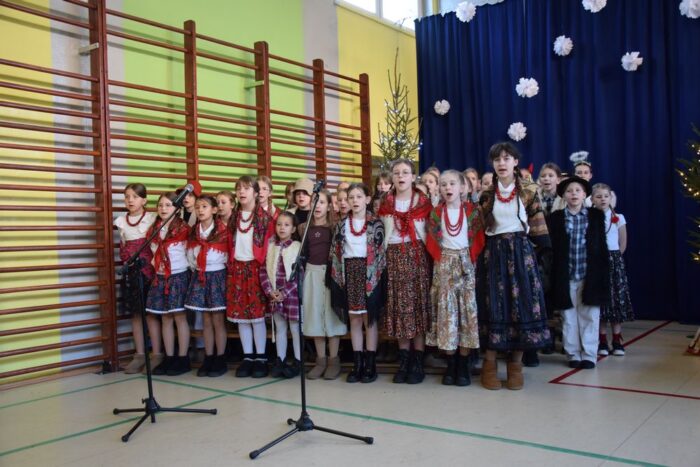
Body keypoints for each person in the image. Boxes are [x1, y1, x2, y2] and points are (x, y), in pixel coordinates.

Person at [476, 142, 551, 390]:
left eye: (506, 158)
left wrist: (535, 256)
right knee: (494, 307)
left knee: (522, 306)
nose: (502, 163)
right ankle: (489, 366)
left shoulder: (528, 191)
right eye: (497, 159)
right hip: (494, 254)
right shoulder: (487, 195)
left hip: (520, 253)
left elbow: (539, 228)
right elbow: (479, 229)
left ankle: (515, 367)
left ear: (515, 162)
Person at [425, 170, 485, 386]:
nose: (447, 188)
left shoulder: (472, 212)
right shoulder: (436, 213)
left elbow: (478, 238)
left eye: (452, 183)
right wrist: (442, 260)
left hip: (465, 263)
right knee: (447, 314)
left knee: (466, 313)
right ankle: (450, 364)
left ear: (462, 188)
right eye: (443, 184)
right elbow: (432, 239)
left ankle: (463, 363)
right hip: (444, 264)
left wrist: (469, 260)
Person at [378, 158, 433, 384]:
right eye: (396, 172)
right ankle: (403, 361)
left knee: (417, 308)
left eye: (405, 172)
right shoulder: (385, 202)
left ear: (413, 177)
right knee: (399, 310)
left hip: (417, 256)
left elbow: (431, 233)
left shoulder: (423, 202)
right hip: (393, 257)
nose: (400, 176)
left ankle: (417, 362)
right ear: (392, 177)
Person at [548, 177, 610, 369]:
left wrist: (602, 272)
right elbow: (553, 249)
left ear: (585, 195)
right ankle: (573, 353)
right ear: (564, 196)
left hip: (589, 274)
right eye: (569, 191)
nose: (573, 194)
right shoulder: (556, 218)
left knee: (590, 315)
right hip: (566, 275)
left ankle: (589, 354)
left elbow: (601, 246)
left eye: (578, 190)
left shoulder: (595, 216)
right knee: (568, 317)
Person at [329, 183, 386, 383]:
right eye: (351, 197)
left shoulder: (376, 223)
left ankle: (370, 364)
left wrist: (375, 277)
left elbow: (380, 253)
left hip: (369, 273)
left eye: (359, 197)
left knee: (369, 320)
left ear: (367, 199)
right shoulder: (342, 224)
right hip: (349, 272)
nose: (354, 201)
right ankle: (357, 363)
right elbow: (336, 252)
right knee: (354, 319)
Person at [227, 176, 274, 378]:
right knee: (242, 318)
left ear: (256, 193)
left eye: (246, 188)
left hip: (256, 269)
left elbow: (270, 246)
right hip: (237, 269)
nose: (241, 192)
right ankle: (247, 357)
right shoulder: (233, 218)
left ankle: (261, 357)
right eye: (238, 188)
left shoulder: (265, 219)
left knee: (257, 316)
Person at [300, 189, 346, 380]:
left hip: (330, 275)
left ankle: (334, 360)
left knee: (331, 316)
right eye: (314, 202)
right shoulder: (303, 229)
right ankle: (320, 360)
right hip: (311, 274)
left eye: (321, 202)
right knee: (314, 316)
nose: (317, 206)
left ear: (329, 207)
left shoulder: (334, 227)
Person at [145, 192, 192, 376]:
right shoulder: (154, 229)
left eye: (168, 205)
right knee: (165, 317)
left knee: (179, 316)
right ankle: (169, 357)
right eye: (160, 205)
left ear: (176, 208)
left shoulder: (184, 229)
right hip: (160, 276)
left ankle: (183, 358)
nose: (163, 209)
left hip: (178, 275)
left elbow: (189, 253)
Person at [115, 183, 159, 374]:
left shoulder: (152, 218)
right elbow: (124, 246)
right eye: (127, 196)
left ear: (144, 200)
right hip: (132, 274)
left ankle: (157, 354)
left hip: (149, 272)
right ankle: (139, 354)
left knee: (151, 314)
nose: (130, 200)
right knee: (136, 314)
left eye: (134, 196)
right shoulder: (121, 221)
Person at [185, 195, 229, 377]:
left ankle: (220, 357)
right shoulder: (194, 232)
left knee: (217, 319)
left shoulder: (223, 231)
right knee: (206, 320)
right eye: (197, 207)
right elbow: (190, 254)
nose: (200, 210)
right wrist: (198, 268)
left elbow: (228, 255)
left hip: (217, 275)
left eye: (204, 206)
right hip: (200, 275)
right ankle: (209, 357)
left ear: (214, 210)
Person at [592, 183, 633, 356]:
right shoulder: (590, 218)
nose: (603, 199)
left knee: (616, 301)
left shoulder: (618, 217)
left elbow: (623, 242)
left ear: (611, 198)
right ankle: (602, 341)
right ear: (592, 199)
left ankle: (617, 340)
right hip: (597, 261)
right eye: (598, 196)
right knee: (601, 303)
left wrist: (615, 258)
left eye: (606, 196)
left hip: (614, 261)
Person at [260, 211, 303, 378]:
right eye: (279, 224)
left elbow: (299, 273)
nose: (282, 228)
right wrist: (270, 291)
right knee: (280, 328)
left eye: (286, 225)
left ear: (293, 229)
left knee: (295, 328)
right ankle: (281, 360)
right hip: (275, 295)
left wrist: (285, 292)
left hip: (291, 295)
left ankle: (298, 361)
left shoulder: (297, 247)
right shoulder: (271, 247)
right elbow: (263, 271)